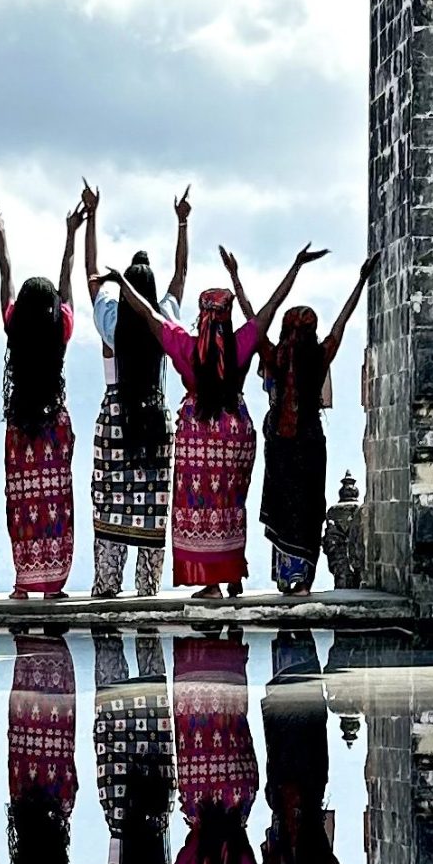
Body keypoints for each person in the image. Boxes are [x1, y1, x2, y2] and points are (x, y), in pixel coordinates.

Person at [107, 240, 323, 598]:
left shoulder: (187, 348)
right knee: (231, 504)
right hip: (237, 432)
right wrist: (296, 266)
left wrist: (120, 281)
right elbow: (272, 305)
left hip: (198, 437)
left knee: (202, 506)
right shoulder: (242, 343)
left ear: (202, 315)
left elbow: (148, 314)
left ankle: (211, 583)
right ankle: (234, 574)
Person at [245, 254, 375, 594]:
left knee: (282, 505)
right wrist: (360, 281)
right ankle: (303, 580)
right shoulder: (319, 356)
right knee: (308, 507)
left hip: (279, 441)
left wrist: (237, 278)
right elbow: (341, 324)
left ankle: (287, 576)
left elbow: (254, 320)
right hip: (310, 439)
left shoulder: (273, 356)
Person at [86, 182, 188, 598]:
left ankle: (107, 583)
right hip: (154, 417)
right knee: (152, 508)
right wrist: (183, 222)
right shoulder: (163, 319)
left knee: (110, 505)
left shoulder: (111, 320)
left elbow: (92, 279)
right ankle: (148, 587)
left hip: (116, 418)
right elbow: (180, 275)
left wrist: (91, 216)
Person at [0, 196, 78, 598]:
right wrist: (71, 235)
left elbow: (5, 280)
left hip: (20, 427)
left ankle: (23, 582)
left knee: (22, 504)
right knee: (55, 504)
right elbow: (67, 286)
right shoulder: (59, 331)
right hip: (53, 424)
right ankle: (54, 583)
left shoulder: (14, 329)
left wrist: (1, 233)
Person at [166, 635, 287, 864]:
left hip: (237, 786)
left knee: (232, 717)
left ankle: (231, 641)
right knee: (194, 712)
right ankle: (197, 646)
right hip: (199, 780)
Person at [258, 632, 363, 864]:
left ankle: (294, 634)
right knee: (290, 700)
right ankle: (290, 635)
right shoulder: (302, 860)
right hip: (296, 772)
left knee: (303, 703)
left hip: (302, 770)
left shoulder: (303, 861)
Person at [94, 630, 177, 864]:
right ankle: (130, 636)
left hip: (138, 811)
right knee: (123, 715)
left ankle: (132, 635)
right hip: (139, 811)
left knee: (137, 713)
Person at [7, 631, 79, 864]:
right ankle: (29, 647)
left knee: (57, 722)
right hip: (25, 802)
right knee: (25, 719)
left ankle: (55, 650)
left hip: (55, 802)